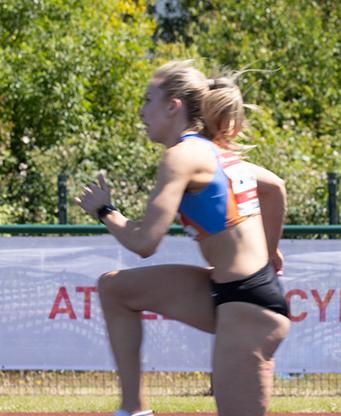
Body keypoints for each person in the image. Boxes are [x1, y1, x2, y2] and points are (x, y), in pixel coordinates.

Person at [74, 60, 291, 416]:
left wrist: (105, 211)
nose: (141, 111)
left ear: (173, 106)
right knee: (116, 289)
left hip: (250, 308)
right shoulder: (213, 152)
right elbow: (275, 189)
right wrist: (270, 252)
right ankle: (134, 409)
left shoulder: (181, 156)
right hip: (232, 291)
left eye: (147, 100)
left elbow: (145, 243)